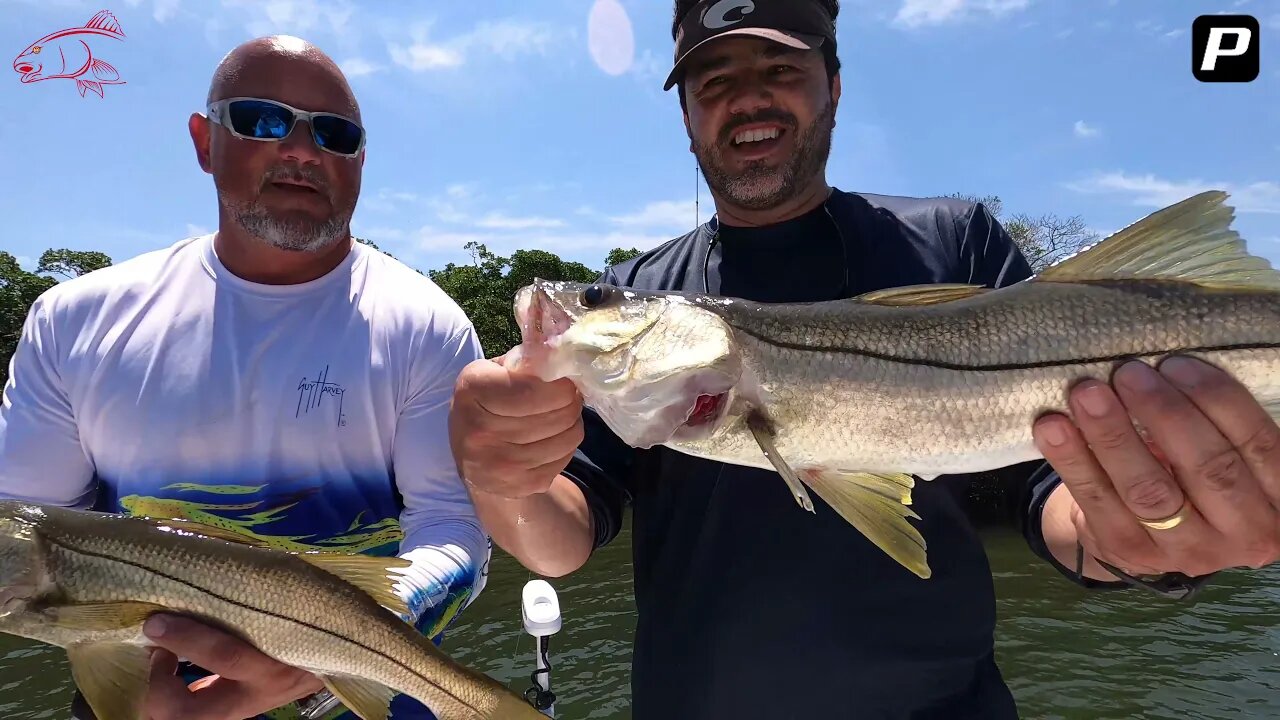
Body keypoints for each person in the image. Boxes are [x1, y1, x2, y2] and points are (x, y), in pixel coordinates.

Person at [448, 1, 1280, 717]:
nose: (746, 98)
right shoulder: (642, 288)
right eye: (714, 81)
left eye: (778, 66)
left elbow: (1051, 494)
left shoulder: (956, 241)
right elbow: (562, 540)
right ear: (688, 117)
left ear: (834, 86)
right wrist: (499, 477)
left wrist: (1145, 540)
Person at [0, 36, 490, 720]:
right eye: (261, 119)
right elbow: (33, 534)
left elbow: (449, 524)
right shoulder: (73, 321)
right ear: (204, 142)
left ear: (361, 162)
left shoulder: (426, 324)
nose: (301, 148)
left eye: (335, 133)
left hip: (373, 694)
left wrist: (327, 651)